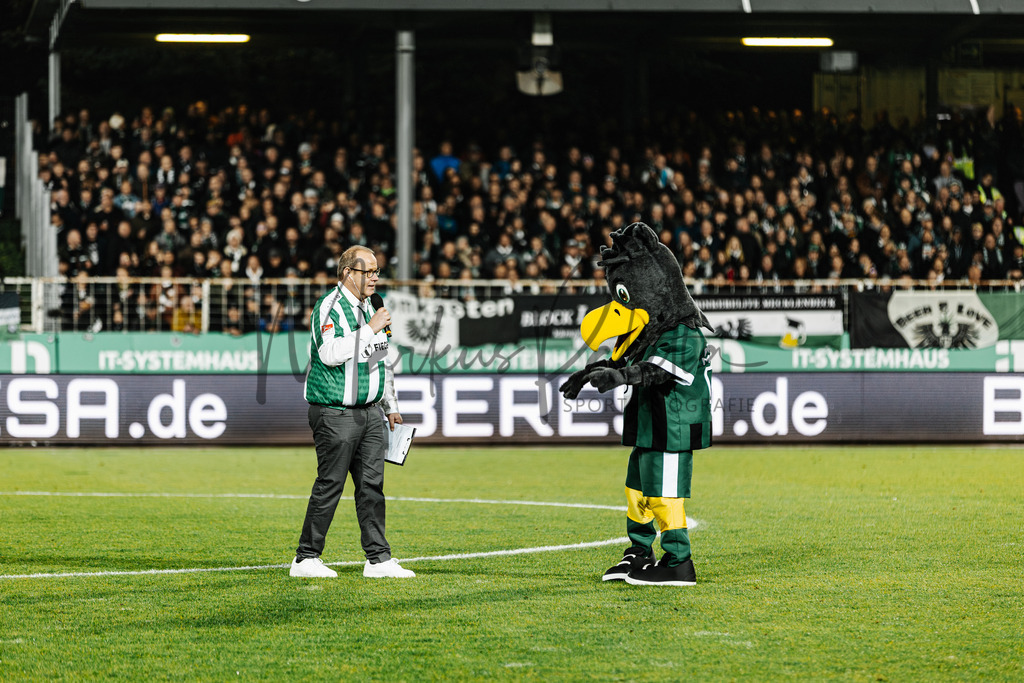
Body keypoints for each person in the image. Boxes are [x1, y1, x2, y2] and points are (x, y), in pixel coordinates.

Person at [290, 245, 412, 579]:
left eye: (377, 271)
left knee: (372, 485)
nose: (375, 277)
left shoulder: (373, 305)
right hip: (335, 412)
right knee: (330, 483)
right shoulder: (328, 306)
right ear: (348, 273)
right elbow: (329, 353)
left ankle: (378, 559)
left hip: (371, 412)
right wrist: (370, 328)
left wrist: (391, 407)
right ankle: (305, 558)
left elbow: (379, 359)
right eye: (368, 271)